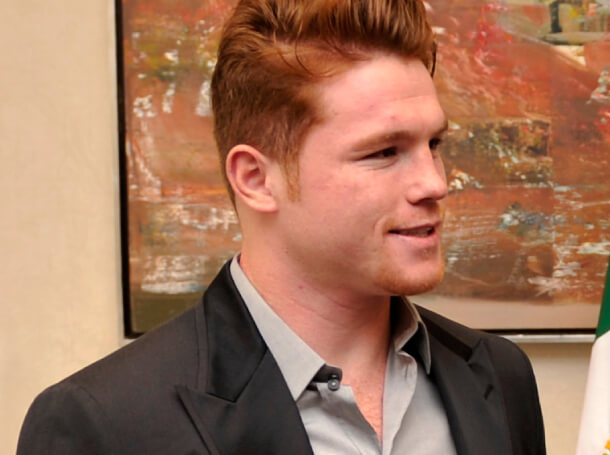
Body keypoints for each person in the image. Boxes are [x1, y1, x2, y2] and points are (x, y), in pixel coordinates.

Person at [17, 0, 546, 453]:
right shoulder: (105, 424)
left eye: (434, 144)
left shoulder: (500, 377)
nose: (434, 183)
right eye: (384, 152)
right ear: (256, 179)